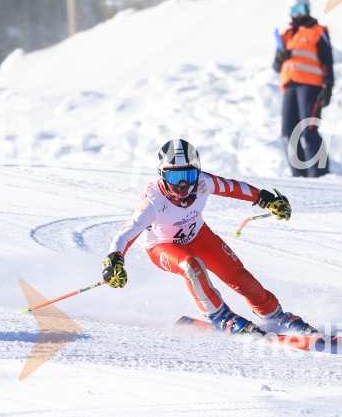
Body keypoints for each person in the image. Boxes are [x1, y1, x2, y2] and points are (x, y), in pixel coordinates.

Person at [102, 139, 317, 335]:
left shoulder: (205, 183)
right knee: (190, 266)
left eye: (189, 176)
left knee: (236, 274)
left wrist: (265, 199)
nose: (182, 185)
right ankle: (220, 316)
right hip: (162, 246)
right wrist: (114, 260)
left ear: (198, 173)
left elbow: (234, 188)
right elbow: (126, 233)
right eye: (175, 177)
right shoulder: (154, 203)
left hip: (198, 236)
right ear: (161, 175)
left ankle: (274, 315)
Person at [273, 0, 334, 177]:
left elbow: (327, 60)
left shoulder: (317, 31)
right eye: (294, 10)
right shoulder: (285, 36)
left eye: (302, 9)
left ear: (308, 9)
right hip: (290, 87)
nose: (299, 14)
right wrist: (279, 57)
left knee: (308, 130)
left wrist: (328, 85)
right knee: (288, 133)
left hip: (311, 86)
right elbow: (276, 66)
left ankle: (320, 174)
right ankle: (299, 176)